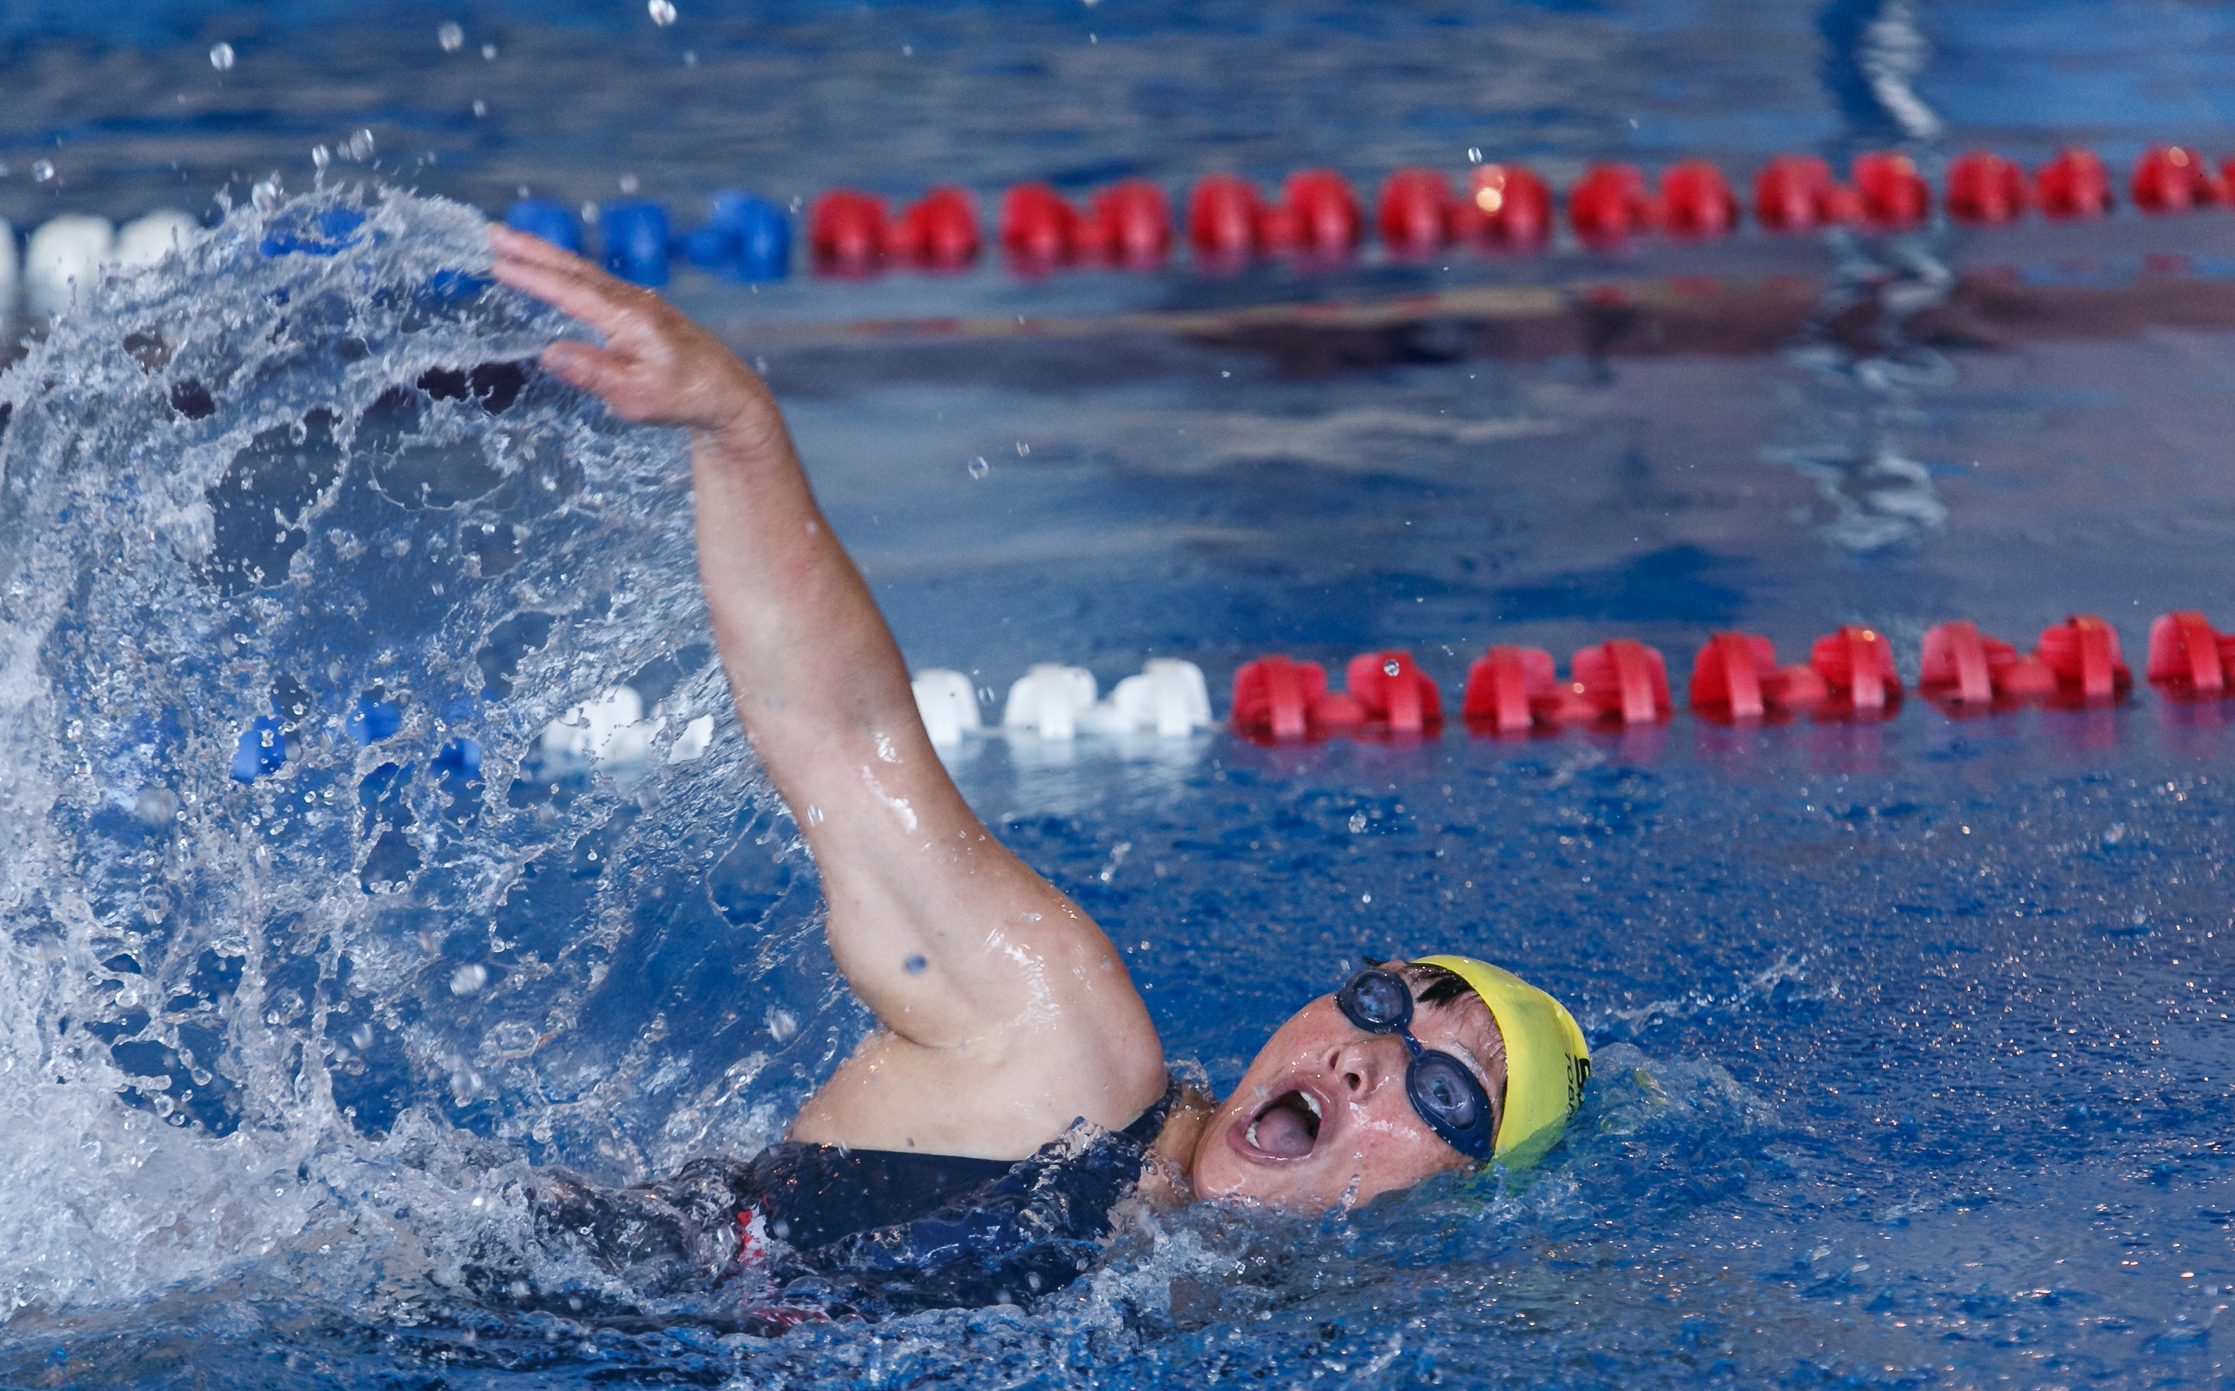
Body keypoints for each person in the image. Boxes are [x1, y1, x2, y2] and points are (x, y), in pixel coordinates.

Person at [483, 226, 1590, 1309]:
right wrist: (739, 427)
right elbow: (846, 749)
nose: (1364, 1059)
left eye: (1442, 1095)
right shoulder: (1065, 1048)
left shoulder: (1234, 1310)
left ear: (1457, 1203)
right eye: (1378, 1001)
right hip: (467, 1317)